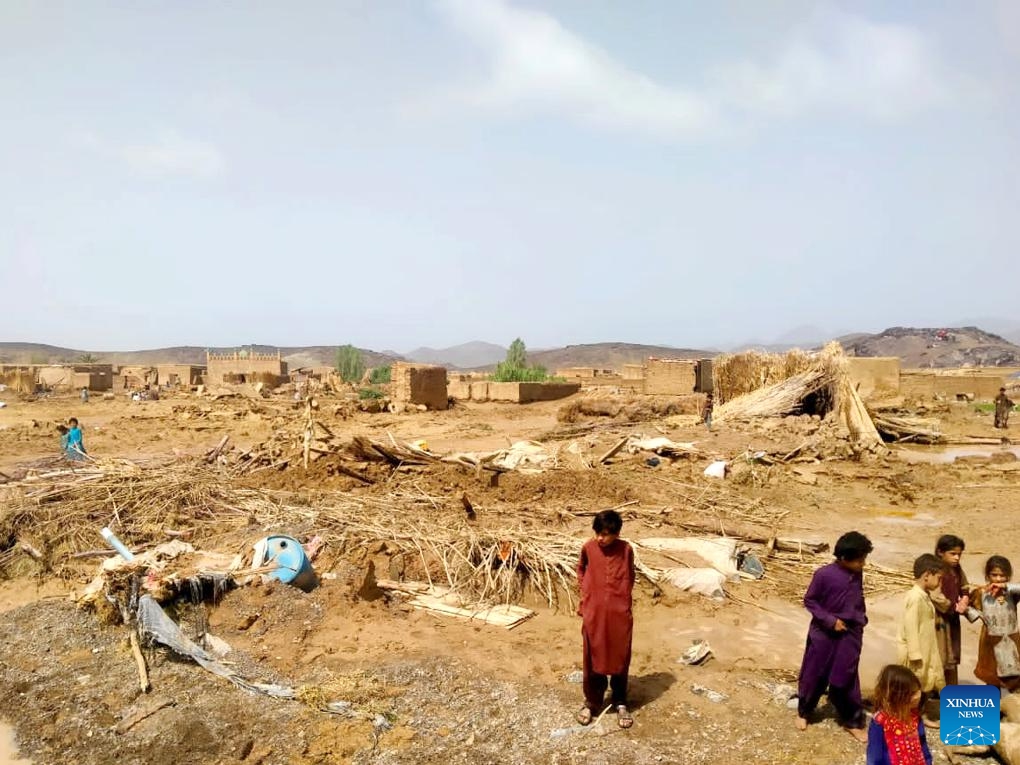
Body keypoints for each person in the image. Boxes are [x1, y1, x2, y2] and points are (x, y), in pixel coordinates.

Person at [795, 530, 873, 742]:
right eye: (860, 560)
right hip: (823, 633)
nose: (863, 564)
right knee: (814, 674)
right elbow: (810, 601)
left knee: (846, 676)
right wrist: (830, 621)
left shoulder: (856, 573)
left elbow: (858, 599)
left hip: (850, 633)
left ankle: (853, 721)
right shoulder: (823, 575)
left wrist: (861, 619)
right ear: (844, 558)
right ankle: (804, 711)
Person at [576, 509, 635, 729]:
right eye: (598, 533)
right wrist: (587, 593)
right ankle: (592, 701)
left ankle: (620, 700)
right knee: (592, 654)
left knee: (620, 654)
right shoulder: (589, 548)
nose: (601, 538)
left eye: (606, 534)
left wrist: (621, 600)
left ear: (617, 534)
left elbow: (630, 576)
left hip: (619, 613)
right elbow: (581, 569)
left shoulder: (626, 550)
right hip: (594, 612)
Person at [959, 555, 1020, 692]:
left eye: (1002, 576)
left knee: (1015, 677)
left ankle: (1013, 708)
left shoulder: (1011, 593)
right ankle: (993, 710)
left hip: (1012, 641)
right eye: (994, 575)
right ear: (987, 575)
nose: (998, 579)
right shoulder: (981, 593)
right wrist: (965, 610)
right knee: (992, 678)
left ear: (1008, 577)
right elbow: (971, 611)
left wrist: (1006, 586)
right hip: (991, 641)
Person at [897, 554, 944, 726]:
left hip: (927, 647)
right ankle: (906, 718)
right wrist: (915, 654)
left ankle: (919, 716)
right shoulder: (915, 598)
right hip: (917, 652)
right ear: (927, 576)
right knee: (914, 685)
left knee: (924, 683)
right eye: (938, 578)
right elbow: (910, 626)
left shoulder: (923, 596)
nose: (939, 583)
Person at [866, 664, 933, 765]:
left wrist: (928, 761)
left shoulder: (915, 717)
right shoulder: (880, 722)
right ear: (896, 697)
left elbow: (923, 745)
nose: (917, 696)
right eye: (912, 693)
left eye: (917, 690)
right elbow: (874, 756)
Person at [929, 535, 970, 687]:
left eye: (959, 554)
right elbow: (935, 595)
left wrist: (965, 599)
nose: (957, 558)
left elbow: (964, 586)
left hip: (952, 619)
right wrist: (952, 606)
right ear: (940, 552)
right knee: (940, 655)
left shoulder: (957, 569)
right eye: (953, 554)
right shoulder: (935, 570)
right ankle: (935, 689)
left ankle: (951, 691)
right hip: (938, 619)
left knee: (951, 656)